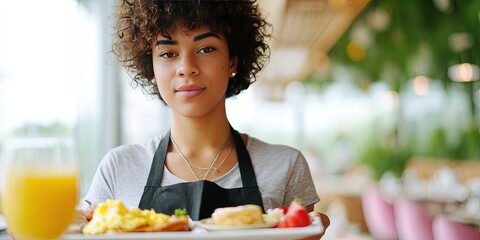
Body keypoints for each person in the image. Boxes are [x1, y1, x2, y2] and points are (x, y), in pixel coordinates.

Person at [84, 0, 329, 238]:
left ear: (232, 60)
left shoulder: (285, 166)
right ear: (152, 70)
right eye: (168, 53)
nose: (186, 67)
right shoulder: (118, 167)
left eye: (205, 49)